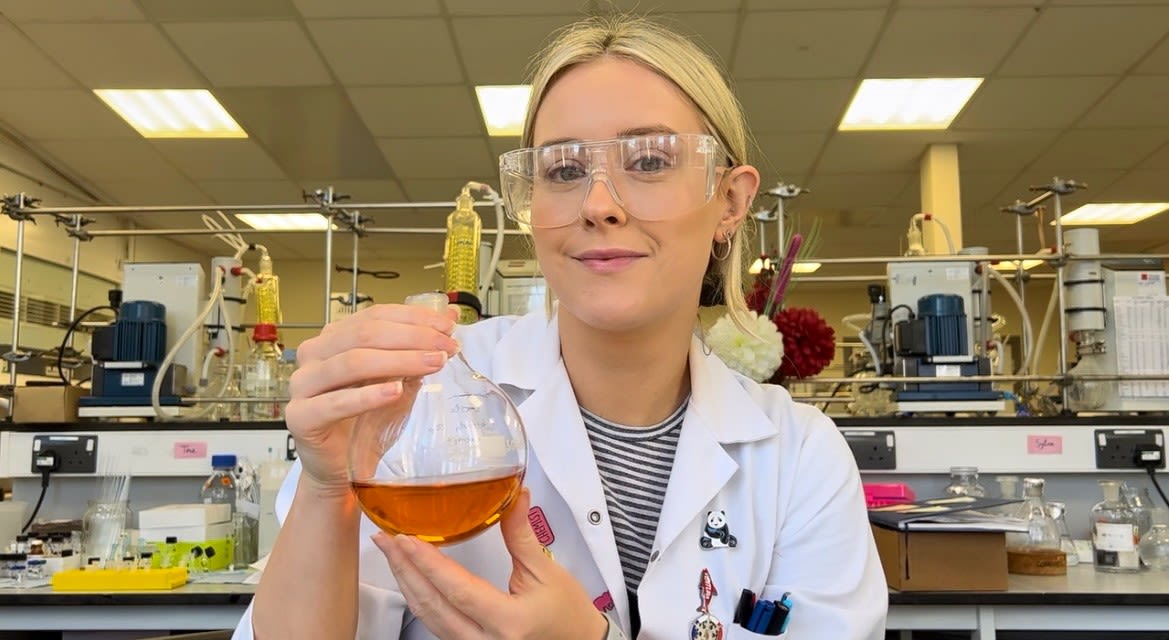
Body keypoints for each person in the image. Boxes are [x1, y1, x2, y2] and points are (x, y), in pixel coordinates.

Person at [236, 14, 887, 640]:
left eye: (651, 161)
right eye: (564, 171)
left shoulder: (797, 456)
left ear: (730, 200)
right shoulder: (416, 399)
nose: (598, 205)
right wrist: (326, 486)